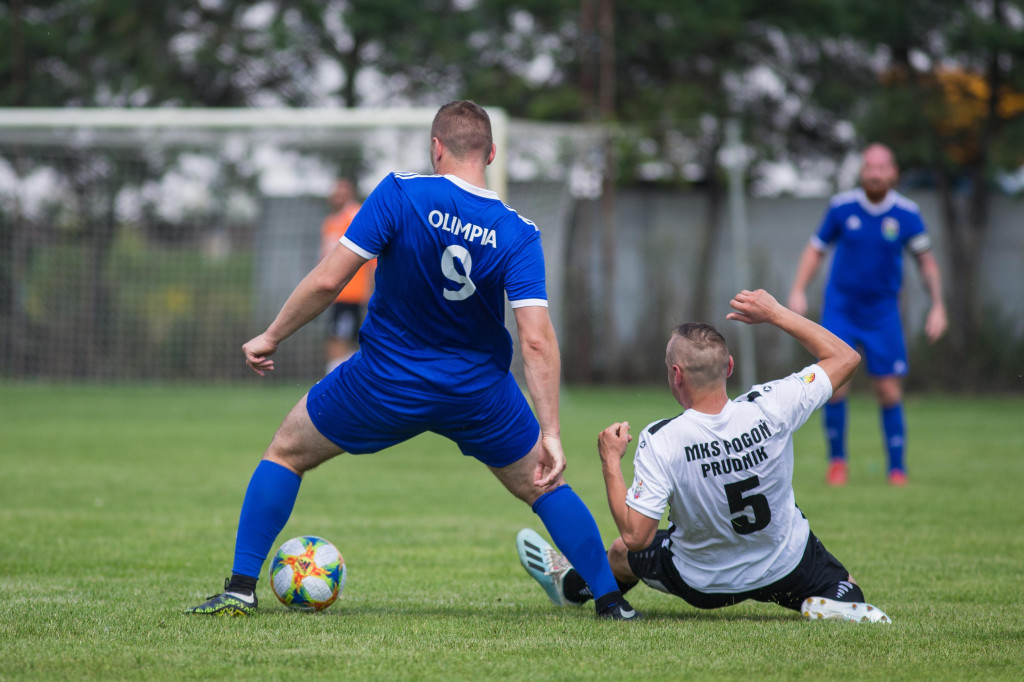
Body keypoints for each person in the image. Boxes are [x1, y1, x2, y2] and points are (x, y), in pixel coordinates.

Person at [185, 100, 637, 620]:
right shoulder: (518, 231)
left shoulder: (400, 193)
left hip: (383, 382)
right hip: (478, 394)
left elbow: (330, 280)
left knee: (286, 453)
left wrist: (271, 336)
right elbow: (536, 340)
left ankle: (241, 589)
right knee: (546, 484)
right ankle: (610, 602)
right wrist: (551, 432)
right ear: (491, 153)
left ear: (436, 148)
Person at [517, 289, 890, 623]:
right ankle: (834, 601)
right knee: (847, 590)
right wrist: (775, 313)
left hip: (703, 583)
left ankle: (571, 587)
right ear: (729, 367)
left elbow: (635, 537)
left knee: (618, 553)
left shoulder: (662, 440)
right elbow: (846, 357)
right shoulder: (773, 405)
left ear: (676, 375)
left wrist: (610, 461)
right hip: (786, 567)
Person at [787, 143, 947, 486]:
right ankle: (837, 464)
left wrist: (938, 305)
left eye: (881, 167)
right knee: (835, 386)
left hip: (883, 314)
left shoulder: (907, 213)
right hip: (841, 310)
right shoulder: (841, 207)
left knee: (888, 390)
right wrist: (798, 289)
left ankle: (897, 470)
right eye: (869, 167)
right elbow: (815, 250)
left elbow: (927, 262)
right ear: (862, 172)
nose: (874, 173)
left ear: (893, 172)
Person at [319, 178, 374, 374]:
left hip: (350, 292)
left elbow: (371, 257)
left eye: (342, 193)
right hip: (334, 293)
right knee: (337, 337)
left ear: (350, 194)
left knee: (339, 338)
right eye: (335, 192)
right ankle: (341, 378)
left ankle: (335, 380)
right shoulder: (330, 222)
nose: (337, 196)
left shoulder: (355, 216)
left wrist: (369, 289)